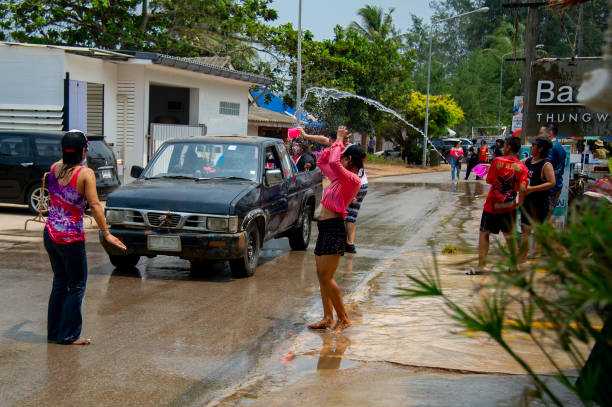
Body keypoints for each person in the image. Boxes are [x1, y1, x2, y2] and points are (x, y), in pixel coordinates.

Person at [45, 130, 126, 345]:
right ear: (83, 151)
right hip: (70, 238)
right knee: (77, 285)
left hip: (51, 233)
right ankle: (69, 335)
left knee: (60, 283)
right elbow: (95, 205)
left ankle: (54, 333)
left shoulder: (54, 168)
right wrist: (106, 233)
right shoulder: (85, 173)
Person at [309, 125, 364, 333]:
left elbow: (333, 161)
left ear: (348, 161)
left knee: (327, 277)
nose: (339, 158)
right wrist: (335, 144)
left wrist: (339, 140)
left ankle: (343, 319)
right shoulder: (338, 178)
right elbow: (323, 161)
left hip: (334, 229)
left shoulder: (352, 180)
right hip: (324, 227)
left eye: (343, 156)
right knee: (320, 275)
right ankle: (327, 317)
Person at [468, 136, 527, 274]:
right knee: (510, 236)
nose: (502, 148)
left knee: (484, 233)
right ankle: (514, 266)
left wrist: (488, 169)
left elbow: (489, 181)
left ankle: (481, 266)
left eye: (504, 145)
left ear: (509, 147)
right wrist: (519, 203)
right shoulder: (522, 167)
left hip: (493, 205)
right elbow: (522, 189)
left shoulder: (497, 161)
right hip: (510, 206)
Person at [519, 137, 555, 263]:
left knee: (539, 231)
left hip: (540, 204)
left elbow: (552, 183)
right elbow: (514, 165)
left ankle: (538, 256)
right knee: (525, 231)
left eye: (533, 145)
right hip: (527, 203)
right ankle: (522, 258)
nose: (530, 147)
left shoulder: (546, 165)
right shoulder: (527, 161)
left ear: (540, 149)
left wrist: (532, 189)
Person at [538, 122, 566, 218]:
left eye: (541, 133)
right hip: (553, 187)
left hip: (549, 189)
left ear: (549, 133)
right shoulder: (557, 146)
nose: (539, 136)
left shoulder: (551, 147)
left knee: (543, 218)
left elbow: (545, 168)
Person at [345, 167, 368, 254]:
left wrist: (352, 193)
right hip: (363, 184)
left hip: (356, 186)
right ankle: (349, 243)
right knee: (351, 214)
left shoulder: (351, 162)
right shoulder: (357, 161)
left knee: (349, 215)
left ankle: (349, 244)